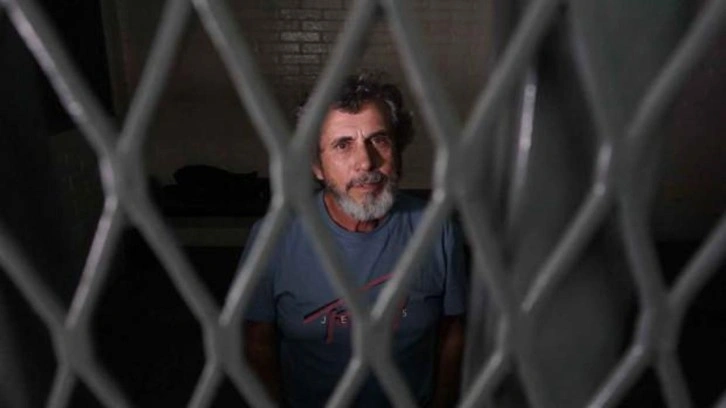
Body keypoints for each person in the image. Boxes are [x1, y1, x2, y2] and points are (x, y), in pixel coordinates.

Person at [243, 73, 467, 407]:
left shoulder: (438, 230)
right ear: (317, 166)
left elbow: (453, 331)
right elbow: (258, 341)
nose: (365, 162)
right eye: (342, 145)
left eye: (379, 140)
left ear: (398, 150)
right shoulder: (272, 237)